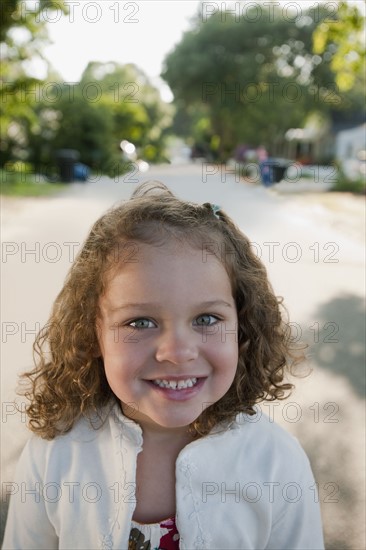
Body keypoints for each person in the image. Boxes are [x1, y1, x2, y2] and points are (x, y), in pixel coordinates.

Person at [3, 181, 324, 550]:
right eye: (140, 322)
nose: (177, 352)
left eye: (206, 318)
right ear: (92, 334)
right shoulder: (55, 454)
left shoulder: (278, 464)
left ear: (243, 326)